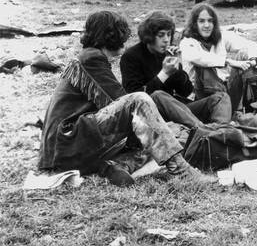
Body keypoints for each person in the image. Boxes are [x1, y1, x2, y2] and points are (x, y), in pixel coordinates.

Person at [38, 11, 213, 186]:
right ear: (111, 35)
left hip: (65, 148)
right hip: (68, 143)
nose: (124, 39)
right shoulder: (91, 58)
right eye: (121, 33)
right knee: (141, 102)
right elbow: (125, 103)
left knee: (166, 132)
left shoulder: (90, 56)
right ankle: (181, 170)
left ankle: (117, 166)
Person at [120, 11, 231, 126]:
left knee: (221, 97)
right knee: (158, 95)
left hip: (178, 112)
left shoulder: (167, 54)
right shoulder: (131, 56)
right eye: (161, 35)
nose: (166, 40)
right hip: (150, 115)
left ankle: (220, 132)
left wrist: (178, 69)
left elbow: (185, 91)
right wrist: (164, 74)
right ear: (149, 36)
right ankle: (203, 131)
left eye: (169, 34)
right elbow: (136, 98)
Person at [178, 3, 257, 116]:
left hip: (223, 90)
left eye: (210, 21)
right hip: (200, 98)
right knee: (205, 68)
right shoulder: (187, 42)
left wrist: (252, 60)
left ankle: (244, 108)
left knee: (243, 53)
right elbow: (199, 58)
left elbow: (249, 44)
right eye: (202, 21)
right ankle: (226, 112)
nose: (207, 25)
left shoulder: (220, 37)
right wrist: (228, 61)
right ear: (194, 24)